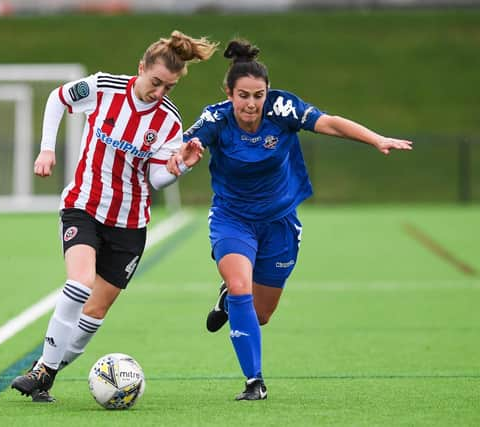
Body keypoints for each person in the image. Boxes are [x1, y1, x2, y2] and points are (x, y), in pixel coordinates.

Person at [168, 39, 413, 401]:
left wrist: (375, 139)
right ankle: (255, 381)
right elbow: (185, 143)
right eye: (243, 96)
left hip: (280, 223)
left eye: (258, 95)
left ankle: (227, 300)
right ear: (229, 93)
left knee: (261, 313)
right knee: (240, 287)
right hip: (232, 219)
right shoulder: (216, 118)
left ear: (267, 93)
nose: (251, 104)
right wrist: (180, 157)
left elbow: (328, 122)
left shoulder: (283, 108)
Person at [10, 31, 217, 403]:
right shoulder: (103, 88)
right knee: (79, 282)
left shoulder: (169, 121)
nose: (159, 93)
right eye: (155, 82)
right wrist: (46, 150)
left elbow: (157, 177)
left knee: (94, 312)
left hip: (129, 224)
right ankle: (42, 369)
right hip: (84, 206)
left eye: (168, 87)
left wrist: (181, 166)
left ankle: (48, 372)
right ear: (140, 68)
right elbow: (58, 99)